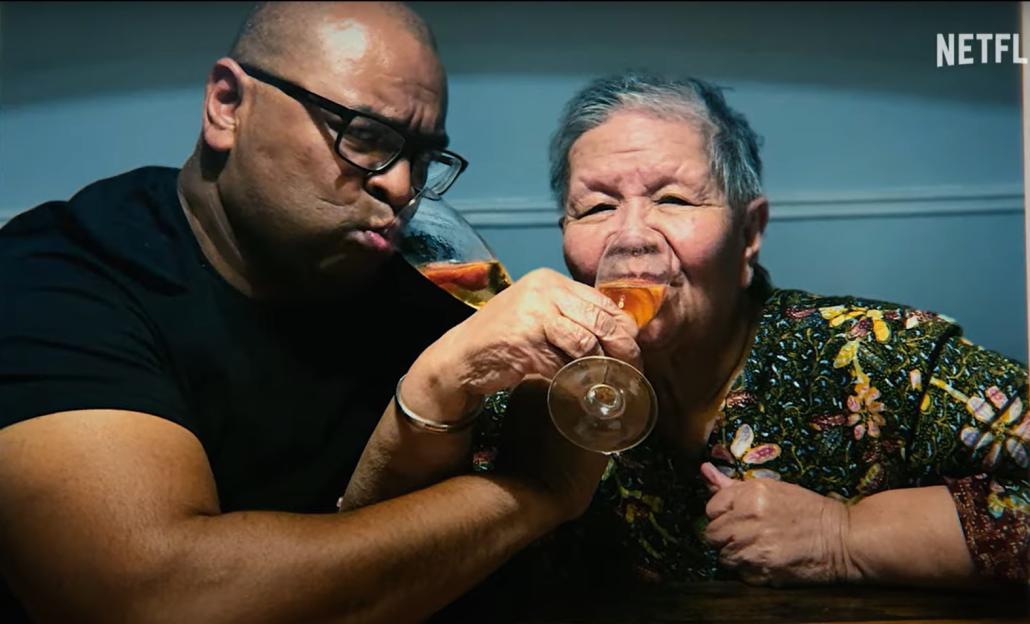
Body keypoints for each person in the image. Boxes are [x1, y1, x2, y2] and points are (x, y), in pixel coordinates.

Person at [0, 3, 644, 622]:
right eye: (363, 135)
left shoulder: (419, 278)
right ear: (227, 104)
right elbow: (153, 601)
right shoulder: (60, 273)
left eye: (422, 158)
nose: (400, 186)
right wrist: (533, 496)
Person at [349, 70, 1030, 603]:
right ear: (563, 239)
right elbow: (376, 572)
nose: (633, 235)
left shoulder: (884, 356)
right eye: (596, 206)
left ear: (750, 234)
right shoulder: (535, 395)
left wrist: (844, 538)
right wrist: (442, 379)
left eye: (674, 200)